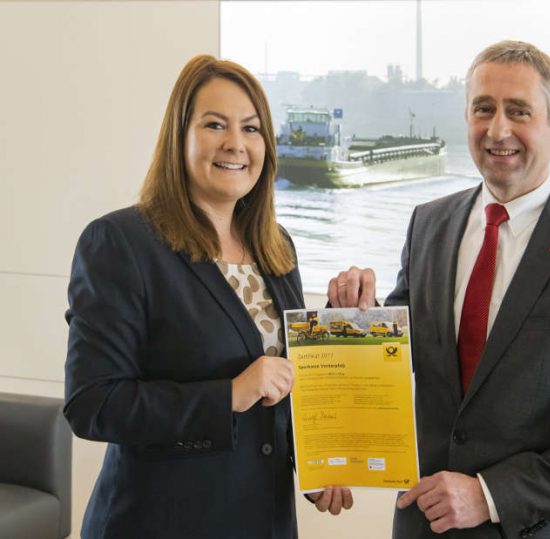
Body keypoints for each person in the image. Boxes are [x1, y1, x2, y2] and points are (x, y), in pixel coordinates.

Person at [328, 41, 550, 538]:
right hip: (425, 524)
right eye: (484, 109)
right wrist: (358, 320)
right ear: (467, 117)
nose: (498, 129)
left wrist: (492, 494)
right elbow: (403, 357)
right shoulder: (428, 225)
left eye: (518, 111)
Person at [64, 55, 351, 539]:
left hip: (264, 522)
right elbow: (93, 404)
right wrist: (229, 395)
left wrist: (317, 468)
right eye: (215, 124)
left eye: (251, 128)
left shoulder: (277, 248)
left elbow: (281, 390)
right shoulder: (119, 243)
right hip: (159, 523)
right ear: (181, 136)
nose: (235, 144)